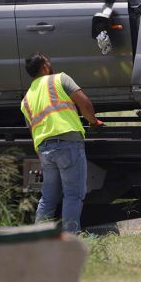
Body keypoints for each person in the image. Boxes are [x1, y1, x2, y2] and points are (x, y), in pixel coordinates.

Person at [21, 53, 103, 233]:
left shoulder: (26, 99)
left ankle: (39, 236)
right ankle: (71, 237)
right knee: (73, 195)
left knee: (48, 197)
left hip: (44, 150)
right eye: (48, 62)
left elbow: (33, 131)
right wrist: (93, 122)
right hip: (68, 143)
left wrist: (41, 157)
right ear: (44, 66)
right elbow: (85, 103)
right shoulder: (60, 79)